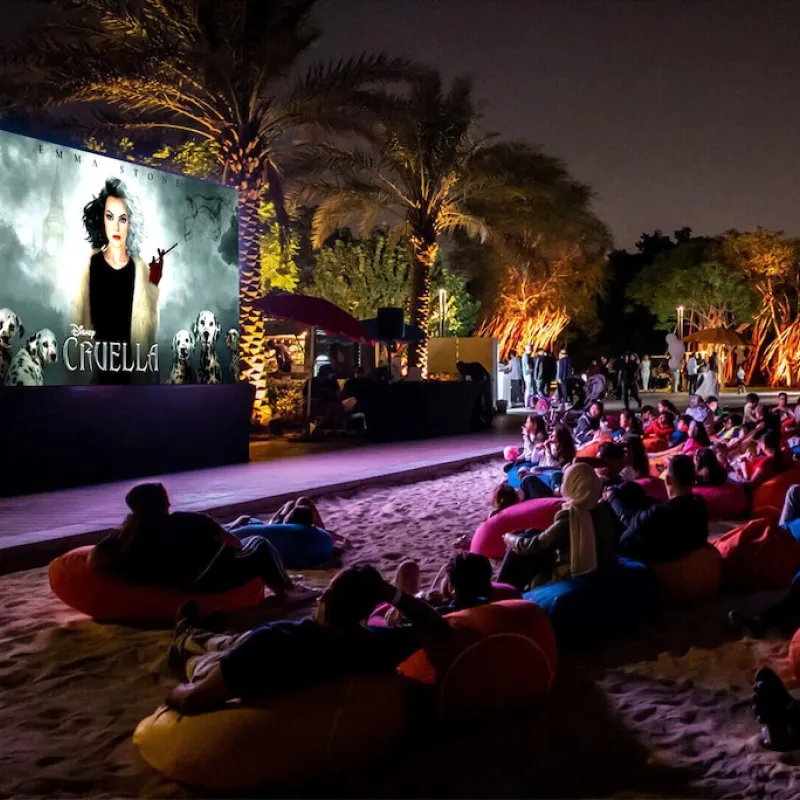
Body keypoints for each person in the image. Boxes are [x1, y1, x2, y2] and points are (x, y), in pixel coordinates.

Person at [165, 564, 452, 715]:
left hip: (247, 658)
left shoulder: (273, 643)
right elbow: (438, 628)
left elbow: (192, 701)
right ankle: (198, 633)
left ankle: (186, 638)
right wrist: (390, 594)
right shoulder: (377, 645)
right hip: (259, 646)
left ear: (324, 599)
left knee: (212, 652)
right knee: (233, 640)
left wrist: (173, 693)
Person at [92, 483, 316, 604]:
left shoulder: (125, 534)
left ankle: (285, 586)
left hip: (175, 582)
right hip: (210, 579)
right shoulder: (190, 520)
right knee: (259, 543)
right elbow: (235, 544)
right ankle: (286, 590)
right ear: (164, 503)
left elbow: (96, 559)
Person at [73, 178, 163, 385]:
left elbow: (147, 332)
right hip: (94, 375)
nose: (116, 226)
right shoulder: (89, 265)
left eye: (122, 219)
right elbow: (78, 323)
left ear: (130, 224)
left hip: (131, 376)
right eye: (110, 217)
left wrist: (153, 285)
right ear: (101, 219)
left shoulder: (140, 268)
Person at [497, 462, 617, 591]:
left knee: (518, 550)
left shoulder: (571, 515)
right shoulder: (601, 507)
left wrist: (509, 538)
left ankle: (502, 591)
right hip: (604, 563)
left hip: (574, 570)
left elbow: (534, 545)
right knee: (530, 533)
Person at [606, 455, 708, 563]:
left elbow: (629, 520)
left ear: (668, 479)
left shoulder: (661, 513)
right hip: (678, 546)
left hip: (655, 557)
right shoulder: (700, 504)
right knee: (629, 488)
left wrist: (612, 497)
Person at [519, 425, 576, 498]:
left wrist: (547, 450)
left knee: (542, 471)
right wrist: (536, 448)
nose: (551, 436)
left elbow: (552, 464)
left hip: (556, 470)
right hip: (544, 468)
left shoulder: (565, 450)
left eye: (554, 435)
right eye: (551, 434)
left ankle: (556, 490)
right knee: (523, 469)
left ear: (560, 437)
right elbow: (534, 460)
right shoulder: (551, 445)